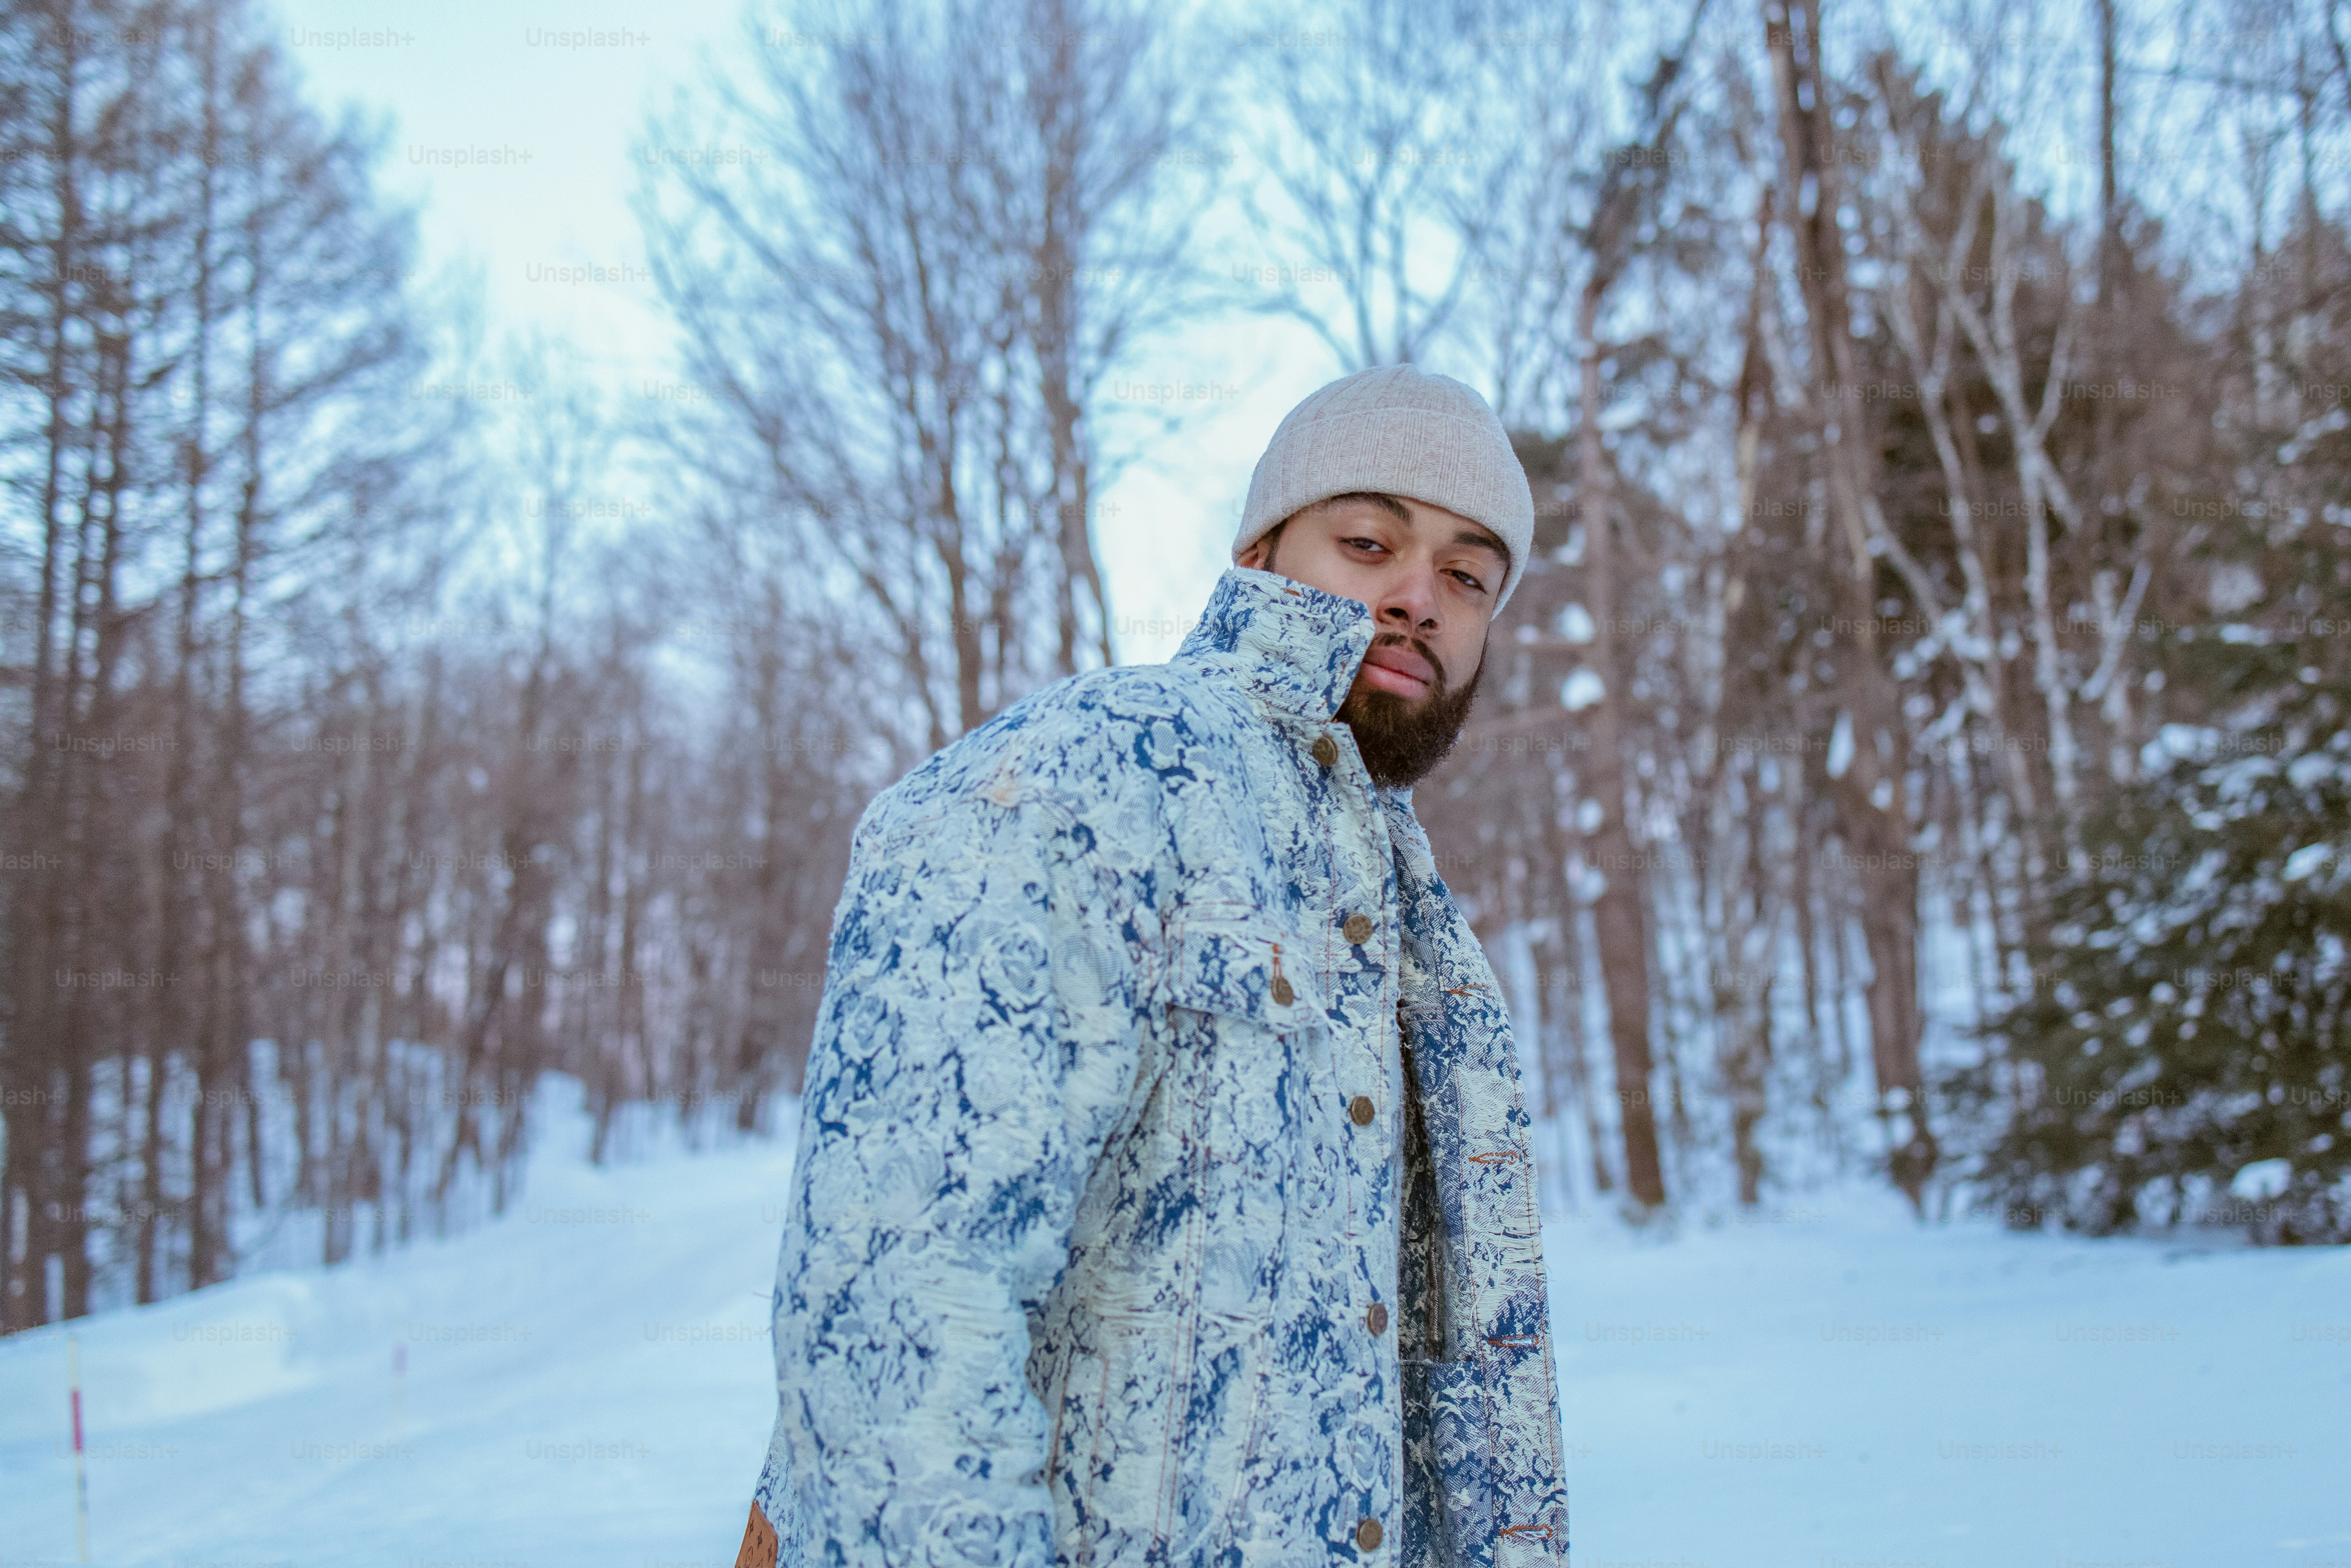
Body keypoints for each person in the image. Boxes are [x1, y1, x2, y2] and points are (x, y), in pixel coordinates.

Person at [736, 365, 1569, 1567]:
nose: (1418, 597)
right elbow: (898, 1307)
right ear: (1262, 552)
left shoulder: (1400, 916)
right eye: (1370, 539)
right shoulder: (1091, 780)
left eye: (1468, 575)